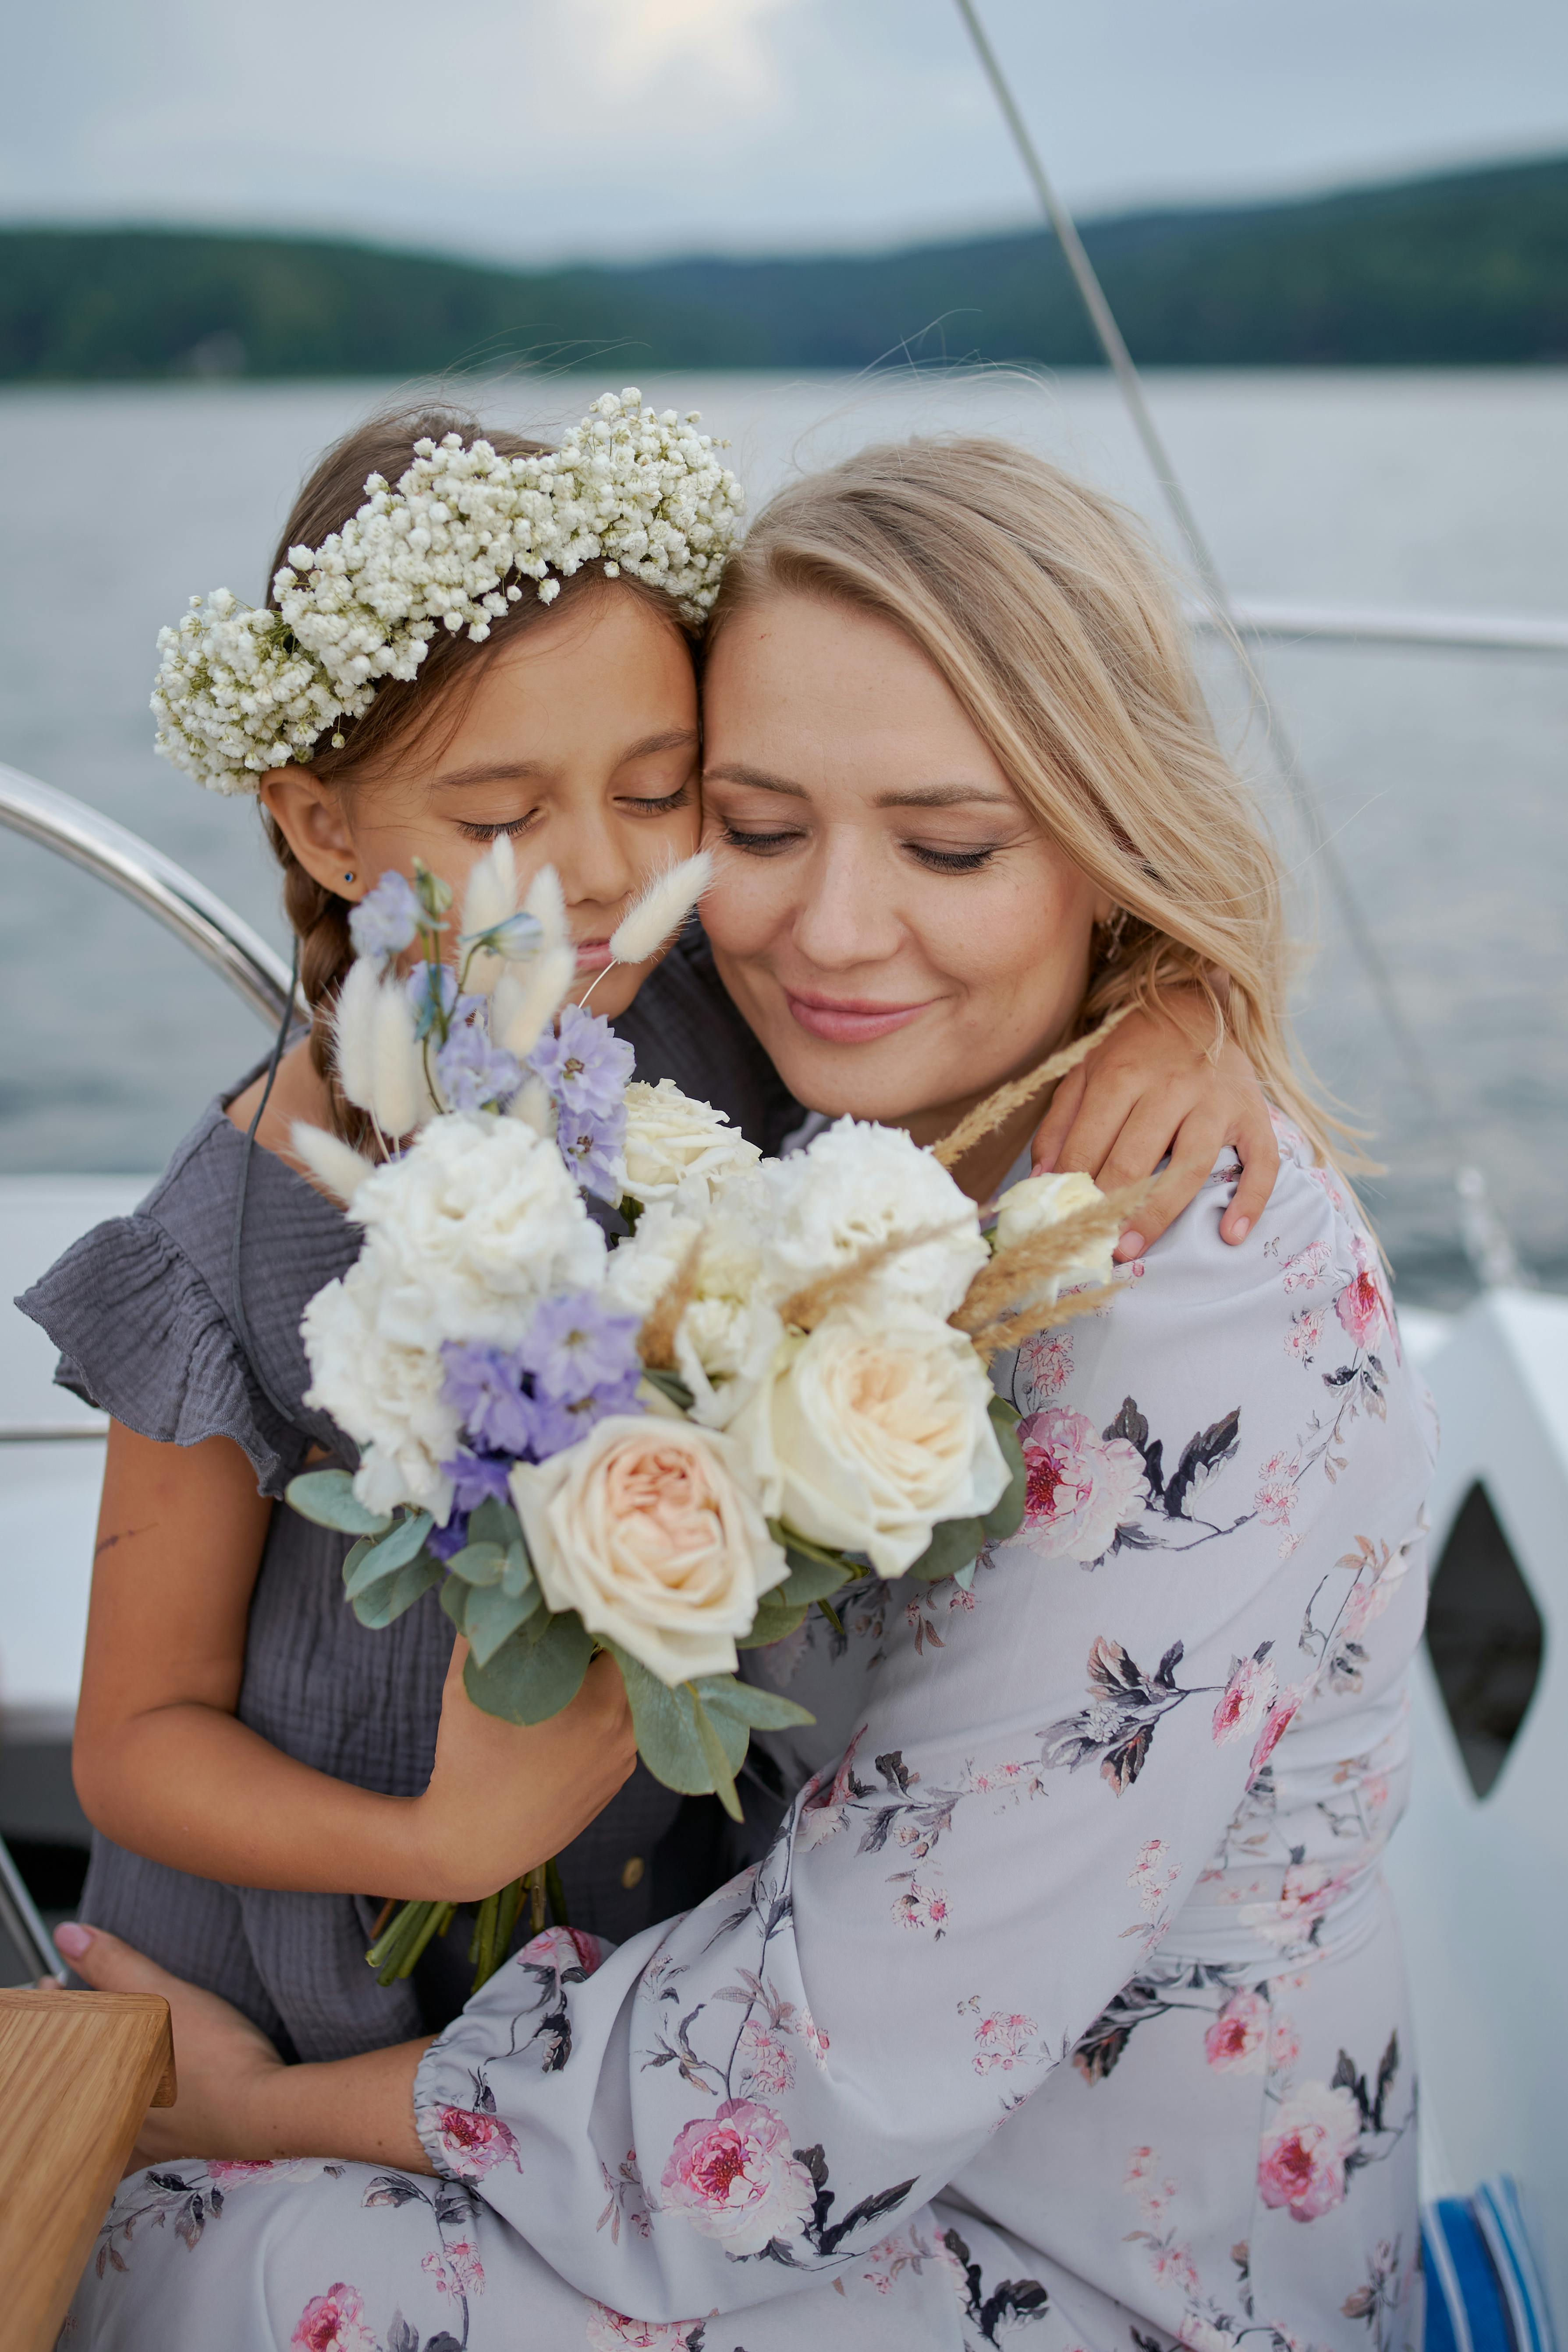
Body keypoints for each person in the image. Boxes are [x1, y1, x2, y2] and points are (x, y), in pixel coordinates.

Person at [55, 434, 1433, 2352]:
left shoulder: (1168, 1276)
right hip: (780, 2083)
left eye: (951, 846)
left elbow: (801, 2100)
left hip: (1073, 2231)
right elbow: (503, 906)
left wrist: (258, 2120)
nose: (829, 929)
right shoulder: (787, 1056)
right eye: (759, 826)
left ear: (1110, 842)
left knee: (180, 2261)